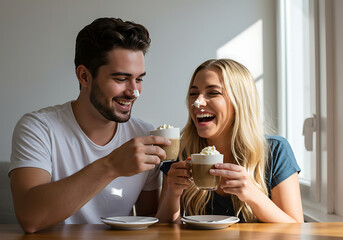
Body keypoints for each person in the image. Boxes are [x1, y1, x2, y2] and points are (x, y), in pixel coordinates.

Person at [9, 17, 170, 233]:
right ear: (84, 76)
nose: (134, 92)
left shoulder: (142, 133)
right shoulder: (38, 128)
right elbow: (30, 218)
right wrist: (111, 166)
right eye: (121, 79)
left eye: (139, 79)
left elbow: (147, 220)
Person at [156, 59, 304, 223]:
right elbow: (163, 231)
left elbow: (296, 229)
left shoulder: (275, 150)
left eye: (213, 93)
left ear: (239, 101)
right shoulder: (180, 152)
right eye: (193, 94)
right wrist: (172, 193)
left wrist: (252, 194)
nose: (197, 102)